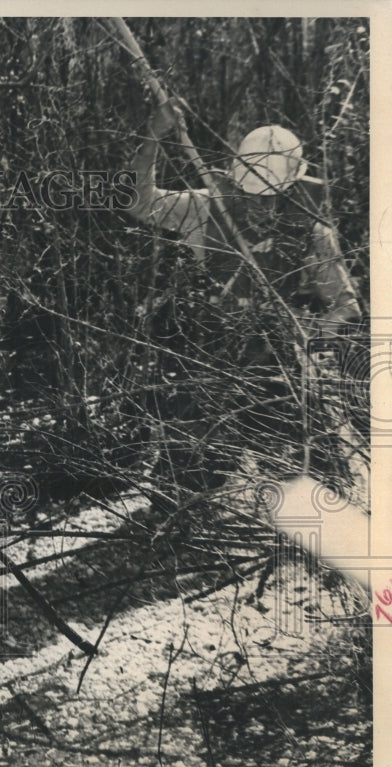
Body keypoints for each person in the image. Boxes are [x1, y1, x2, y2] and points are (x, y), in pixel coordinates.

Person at [125, 101, 365, 494]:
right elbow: (141, 203)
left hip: (278, 366)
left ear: (291, 190)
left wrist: (308, 331)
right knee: (183, 486)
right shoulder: (208, 208)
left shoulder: (310, 232)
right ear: (236, 182)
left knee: (313, 483)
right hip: (211, 361)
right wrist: (153, 134)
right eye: (253, 196)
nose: (262, 206)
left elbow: (346, 306)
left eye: (272, 198)